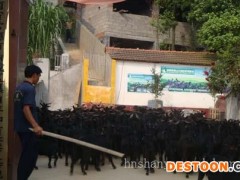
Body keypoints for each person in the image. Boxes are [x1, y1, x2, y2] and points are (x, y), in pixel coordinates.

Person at [14, 64, 43, 180]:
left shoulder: (19, 87)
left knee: (27, 156)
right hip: (28, 129)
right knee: (29, 158)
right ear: (34, 75)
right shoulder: (30, 88)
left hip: (20, 127)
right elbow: (26, 109)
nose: (39, 78)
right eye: (39, 75)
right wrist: (35, 126)